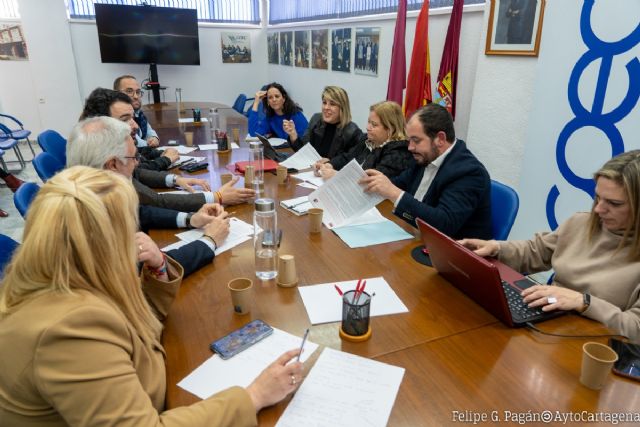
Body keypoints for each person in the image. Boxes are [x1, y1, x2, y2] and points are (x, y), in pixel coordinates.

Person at [0, 166, 304, 425]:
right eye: (127, 226)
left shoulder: (66, 274)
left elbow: (132, 319)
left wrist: (158, 267)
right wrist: (254, 396)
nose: (135, 235)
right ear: (100, 242)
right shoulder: (68, 329)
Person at [460, 151, 640, 342]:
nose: (598, 209)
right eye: (597, 197)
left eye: (614, 203)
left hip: (592, 345)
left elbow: (635, 328)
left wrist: (584, 302)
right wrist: (496, 248)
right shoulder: (581, 223)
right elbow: (535, 252)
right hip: (550, 327)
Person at [67, 116, 228, 277]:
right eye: (133, 157)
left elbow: (139, 212)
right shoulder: (93, 226)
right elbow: (144, 273)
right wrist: (209, 240)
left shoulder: (90, 192)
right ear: (113, 165)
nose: (137, 164)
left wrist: (190, 219)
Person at [81, 88, 255, 210]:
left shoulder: (104, 148)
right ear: (101, 123)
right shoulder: (100, 163)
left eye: (132, 118)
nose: (134, 125)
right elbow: (154, 202)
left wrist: (175, 179)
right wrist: (216, 197)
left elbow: (138, 173)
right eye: (125, 119)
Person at [360, 103, 492, 239]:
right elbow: (398, 183)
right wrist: (378, 184)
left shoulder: (469, 173)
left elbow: (444, 224)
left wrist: (394, 192)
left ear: (440, 139)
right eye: (409, 140)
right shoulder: (425, 156)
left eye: (416, 140)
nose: (410, 147)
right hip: (416, 236)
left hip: (452, 252)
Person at [315, 101, 414, 179]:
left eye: (374, 125)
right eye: (369, 122)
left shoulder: (398, 152)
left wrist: (337, 176)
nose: (367, 127)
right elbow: (347, 157)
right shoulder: (367, 139)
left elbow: (373, 181)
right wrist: (329, 165)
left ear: (390, 128)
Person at [287, 86, 364, 159]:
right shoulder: (316, 120)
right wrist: (293, 135)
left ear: (342, 107)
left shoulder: (352, 132)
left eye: (332, 104)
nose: (326, 107)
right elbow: (304, 151)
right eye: (324, 103)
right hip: (313, 170)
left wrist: (330, 163)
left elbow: (349, 160)